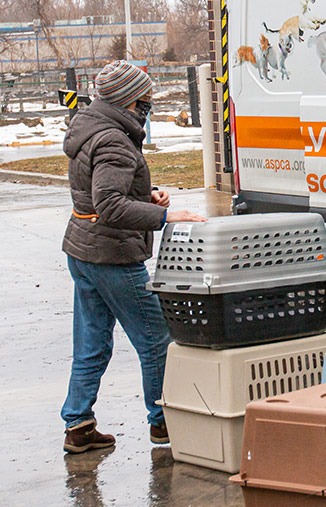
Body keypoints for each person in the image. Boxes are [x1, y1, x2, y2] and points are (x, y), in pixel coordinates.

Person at [61, 60, 207, 454]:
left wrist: (146, 195)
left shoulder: (88, 126)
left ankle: (78, 423)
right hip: (112, 254)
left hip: (83, 249)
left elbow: (99, 192)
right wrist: (164, 215)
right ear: (129, 100)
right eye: (146, 101)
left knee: (92, 341)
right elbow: (109, 204)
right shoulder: (113, 140)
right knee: (156, 338)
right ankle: (163, 424)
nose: (149, 107)